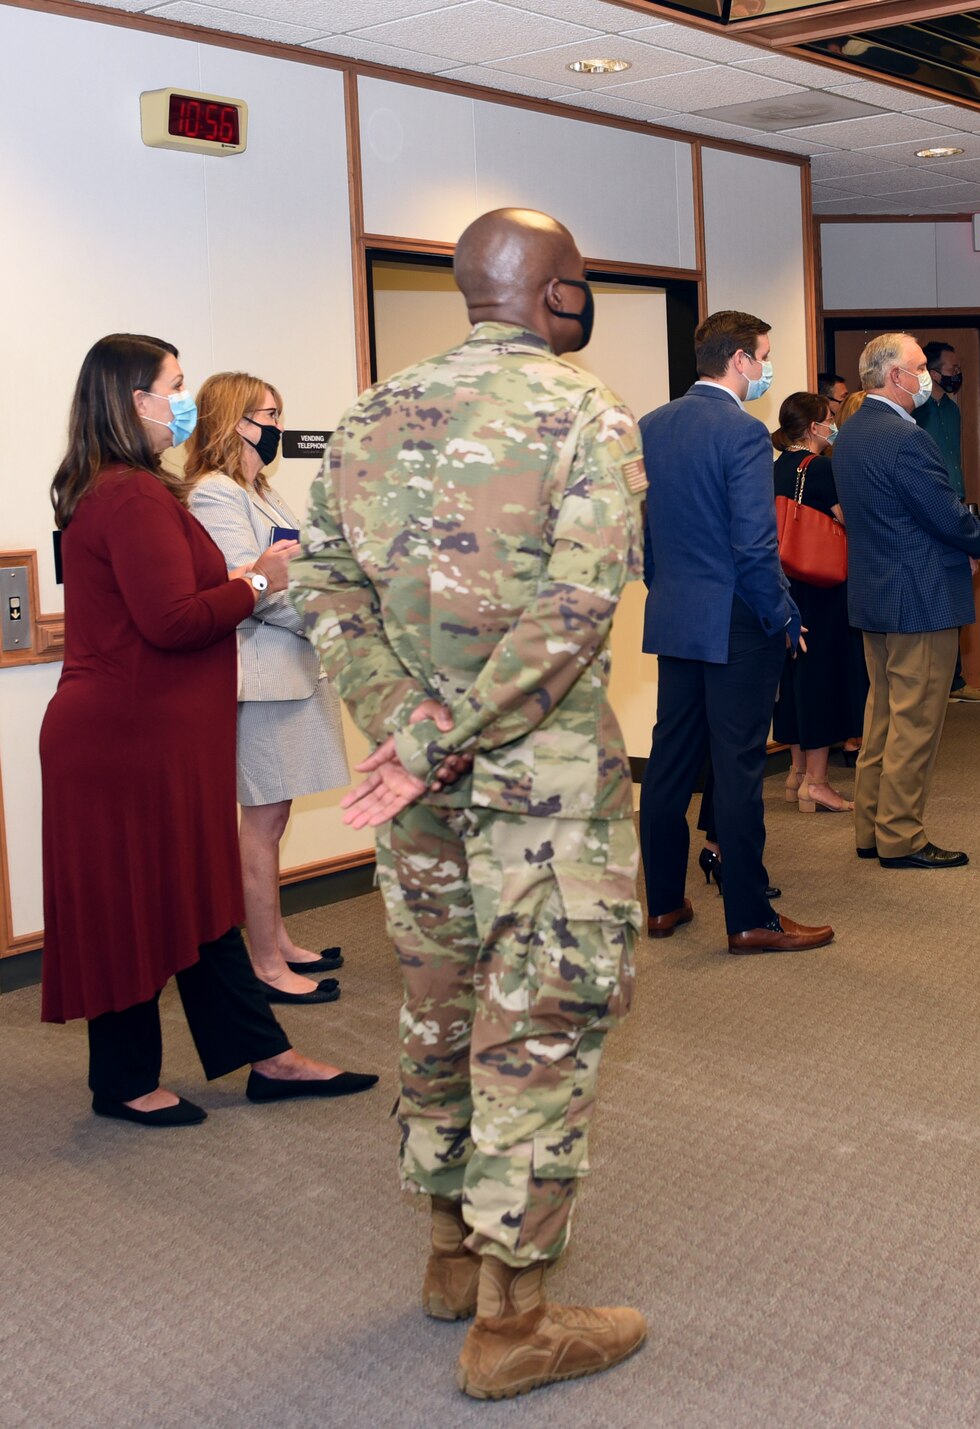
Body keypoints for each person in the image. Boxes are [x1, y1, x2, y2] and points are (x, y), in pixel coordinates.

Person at [292, 209, 649, 1398]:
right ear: (556, 293)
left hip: (419, 797)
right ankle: (513, 1321)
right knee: (535, 1028)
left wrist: (403, 727)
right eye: (581, 281)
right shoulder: (583, 412)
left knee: (439, 1009)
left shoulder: (367, 415)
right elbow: (574, 609)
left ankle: (450, 1256)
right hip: (538, 788)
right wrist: (443, 733)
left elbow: (323, 585)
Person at [40, 333, 376, 1129]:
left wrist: (237, 579)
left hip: (151, 734)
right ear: (135, 401)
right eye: (175, 386)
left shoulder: (134, 488)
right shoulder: (126, 494)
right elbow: (171, 620)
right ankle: (126, 1081)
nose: (183, 403)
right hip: (123, 739)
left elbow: (173, 599)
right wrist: (260, 578)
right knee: (138, 906)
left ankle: (266, 1056)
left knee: (196, 901)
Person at [637, 311, 834, 955]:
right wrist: (784, 615)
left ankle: (663, 903)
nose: (768, 369)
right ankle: (750, 917)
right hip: (738, 626)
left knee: (669, 764)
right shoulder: (745, 435)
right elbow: (755, 545)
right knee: (738, 769)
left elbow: (643, 533)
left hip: (675, 617)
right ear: (741, 360)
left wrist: (665, 592)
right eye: (765, 356)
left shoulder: (653, 426)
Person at [184, 372, 351, 1005]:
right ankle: (264, 965)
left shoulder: (262, 490)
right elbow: (247, 590)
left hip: (292, 665)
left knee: (273, 817)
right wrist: (328, 618)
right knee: (259, 821)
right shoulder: (214, 495)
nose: (277, 424)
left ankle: (275, 939)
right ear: (234, 420)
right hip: (260, 674)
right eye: (268, 413)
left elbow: (294, 575)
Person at [834, 332, 980, 868]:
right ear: (893, 375)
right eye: (920, 366)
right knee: (915, 722)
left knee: (881, 718)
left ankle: (870, 828)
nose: (928, 376)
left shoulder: (851, 433)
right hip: (920, 598)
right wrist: (976, 541)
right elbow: (943, 512)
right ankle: (901, 836)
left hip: (877, 597)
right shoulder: (906, 438)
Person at [770, 390, 866, 813]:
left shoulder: (774, 469)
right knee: (822, 679)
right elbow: (850, 520)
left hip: (785, 585)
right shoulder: (822, 468)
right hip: (823, 585)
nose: (834, 424)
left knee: (794, 679)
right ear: (814, 427)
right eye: (829, 418)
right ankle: (818, 782)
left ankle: (794, 775)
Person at [914, 339, 980, 705]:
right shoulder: (914, 412)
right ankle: (935, 683)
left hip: (955, 503)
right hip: (927, 510)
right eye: (951, 369)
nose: (956, 374)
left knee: (957, 588)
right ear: (931, 372)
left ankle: (954, 681)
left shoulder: (952, 409)